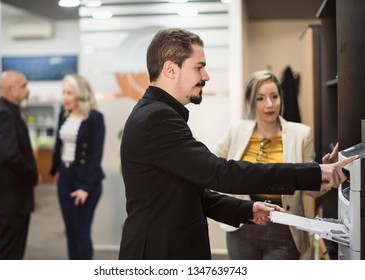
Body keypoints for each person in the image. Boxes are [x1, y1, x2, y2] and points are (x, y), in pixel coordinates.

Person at [118, 28, 355, 260]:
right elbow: (221, 172)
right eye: (199, 67)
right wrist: (314, 172)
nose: (206, 76)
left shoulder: (158, 113)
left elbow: (188, 194)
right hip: (159, 254)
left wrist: (246, 209)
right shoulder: (157, 118)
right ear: (170, 69)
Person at [213, 70, 338, 260]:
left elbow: (311, 191)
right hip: (242, 226)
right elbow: (212, 167)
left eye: (274, 96)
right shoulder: (236, 130)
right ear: (249, 102)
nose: (270, 104)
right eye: (261, 98)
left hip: (284, 228)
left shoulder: (301, 134)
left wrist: (322, 173)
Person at [0, 70, 39, 260]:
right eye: (23, 85)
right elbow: (9, 155)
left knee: (13, 249)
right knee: (10, 252)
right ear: (10, 90)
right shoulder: (3, 114)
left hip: (11, 196)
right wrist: (32, 175)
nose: (27, 90)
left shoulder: (7, 111)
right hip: (11, 197)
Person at [50, 74, 105, 260]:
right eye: (63, 92)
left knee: (81, 232)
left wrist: (86, 187)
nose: (64, 97)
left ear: (80, 95)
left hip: (86, 180)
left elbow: (96, 155)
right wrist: (57, 169)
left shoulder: (95, 118)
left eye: (69, 93)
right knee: (70, 231)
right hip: (65, 178)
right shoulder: (62, 115)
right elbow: (59, 145)